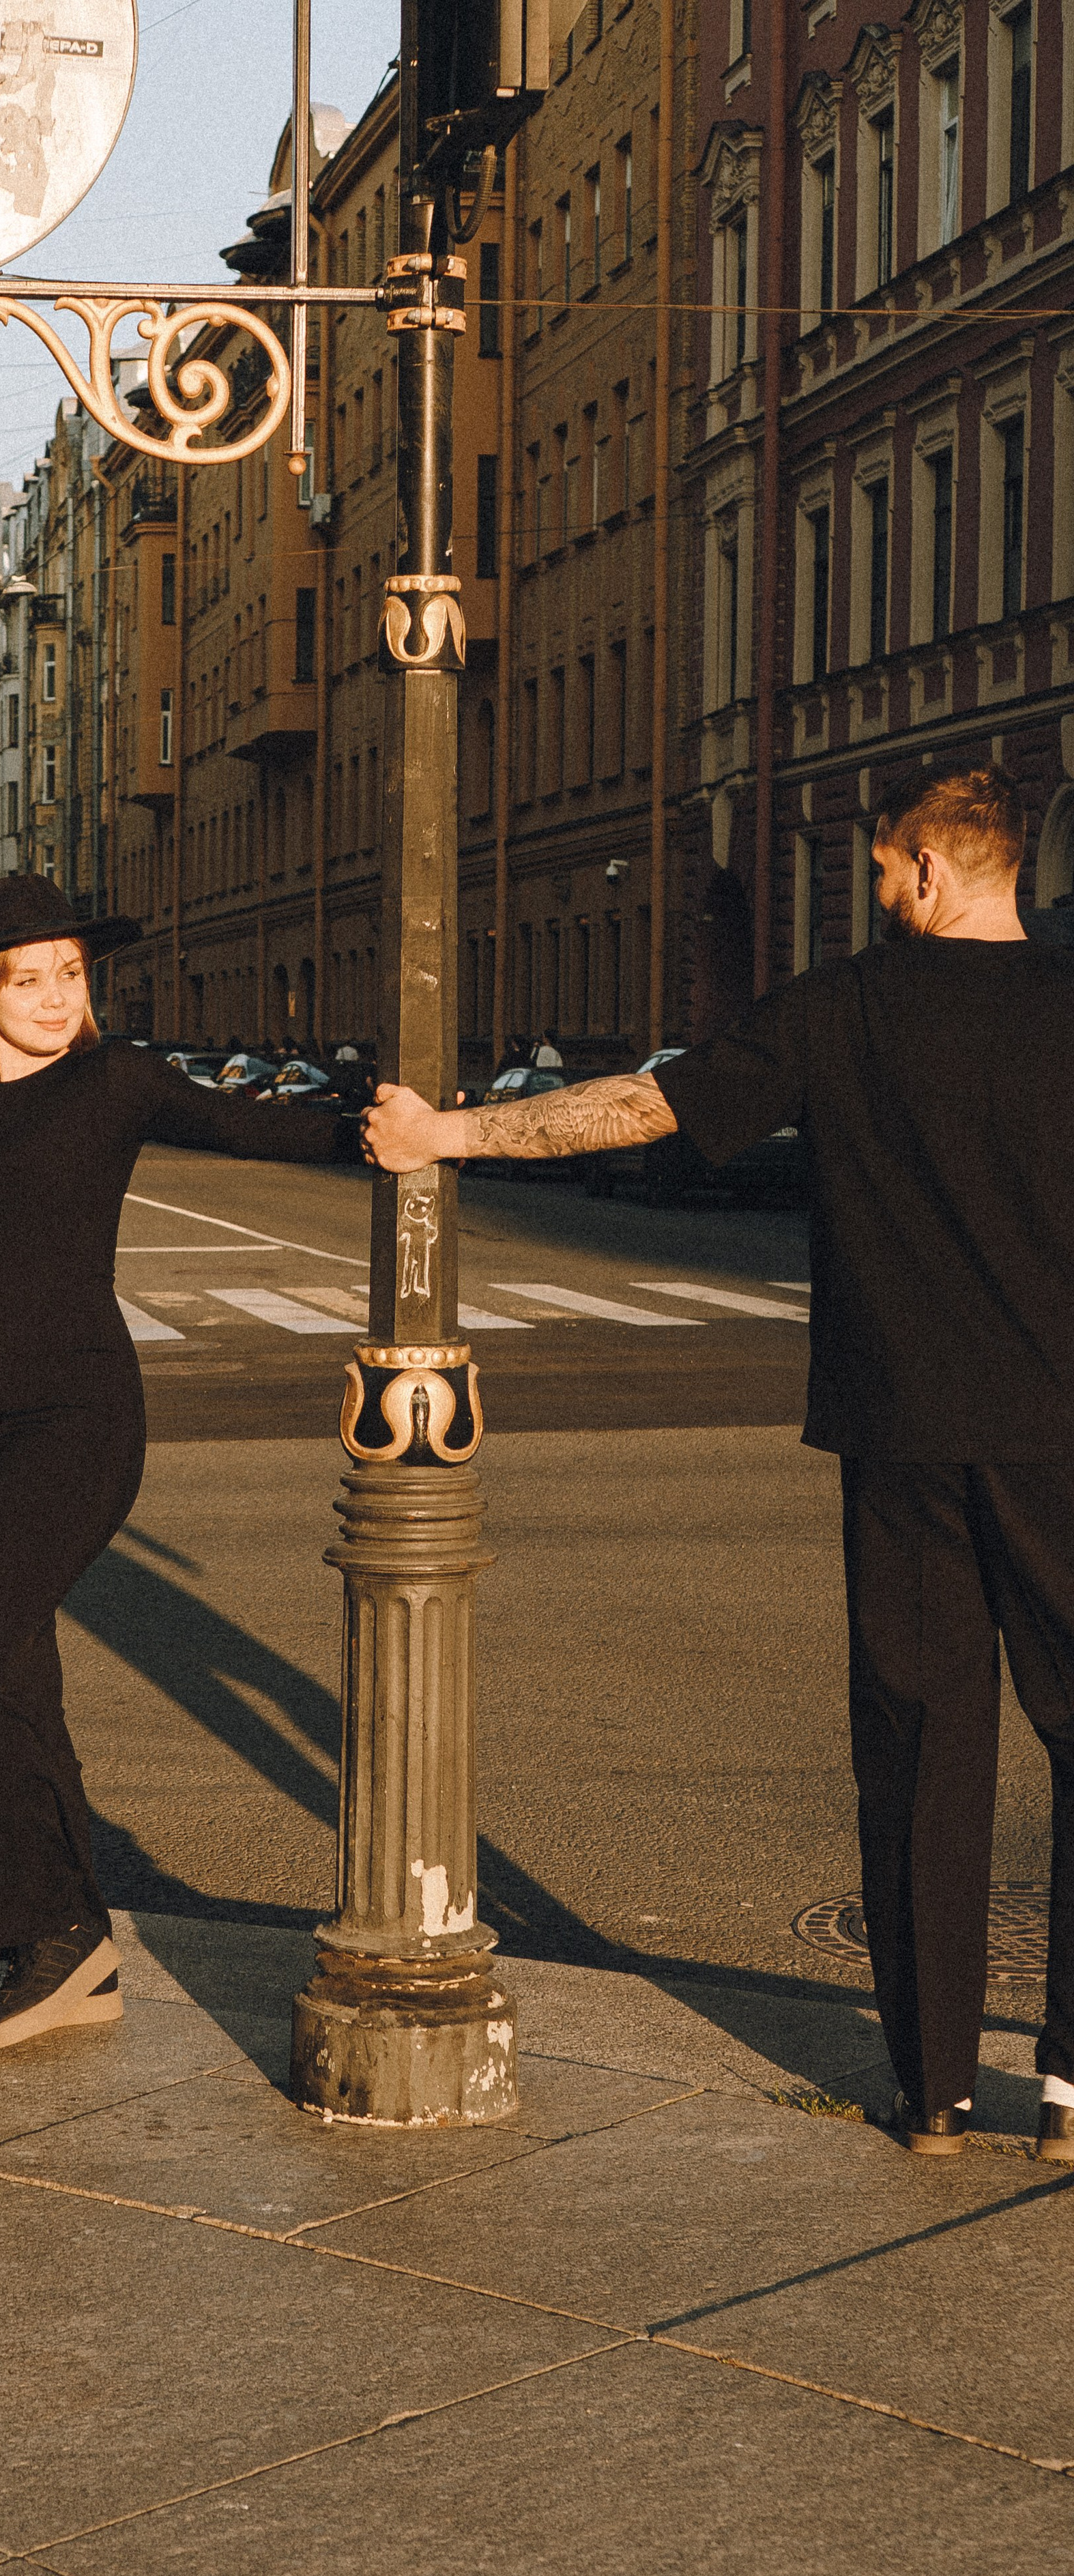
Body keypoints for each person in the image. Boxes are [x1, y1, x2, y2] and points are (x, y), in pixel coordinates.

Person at [363, 764, 1074, 2164]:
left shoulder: (843, 1009)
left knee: (924, 1750)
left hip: (899, 1432)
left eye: (879, 872)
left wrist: (448, 1133)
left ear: (925, 868)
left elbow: (642, 1111)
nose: (875, 895)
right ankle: (1069, 2093)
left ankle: (929, 2089)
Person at [0, 873, 360, 2053]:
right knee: (12, 1679)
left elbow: (249, 1123)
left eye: (71, 974)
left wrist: (385, 1134)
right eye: (30, 977)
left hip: (75, 1424)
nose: (58, 998)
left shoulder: (113, 1085)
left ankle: (37, 1929)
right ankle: (67, 1945)